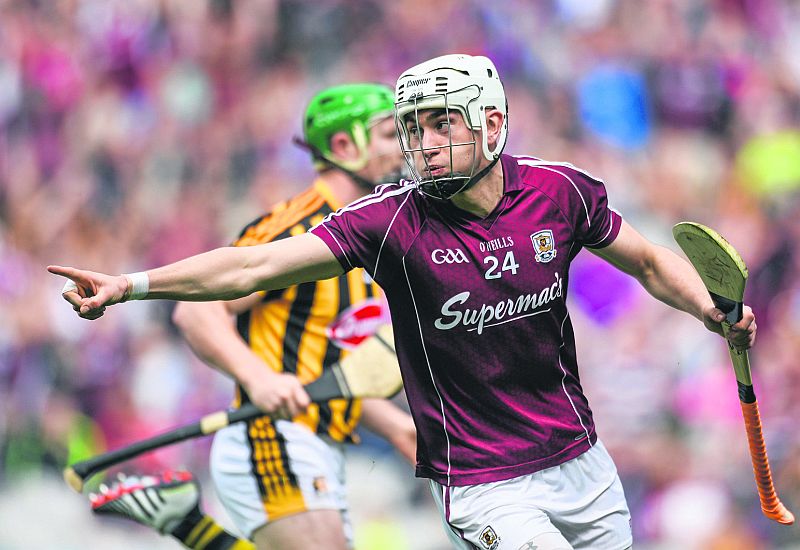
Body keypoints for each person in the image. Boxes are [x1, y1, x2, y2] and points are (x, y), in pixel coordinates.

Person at [51, 55, 757, 550]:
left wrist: (704, 308)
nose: (422, 143)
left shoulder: (560, 191)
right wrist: (130, 284)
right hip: (481, 479)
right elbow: (253, 266)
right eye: (411, 127)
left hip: (580, 458)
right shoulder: (388, 219)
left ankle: (192, 529)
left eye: (440, 123)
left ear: (492, 123)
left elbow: (650, 263)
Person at [81, 83, 417, 550]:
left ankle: (189, 526)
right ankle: (190, 528)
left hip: (321, 443)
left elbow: (321, 371)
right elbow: (197, 314)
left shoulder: (372, 234)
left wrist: (396, 425)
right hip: (272, 440)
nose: (403, 148)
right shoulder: (299, 227)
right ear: (344, 146)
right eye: (387, 134)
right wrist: (258, 379)